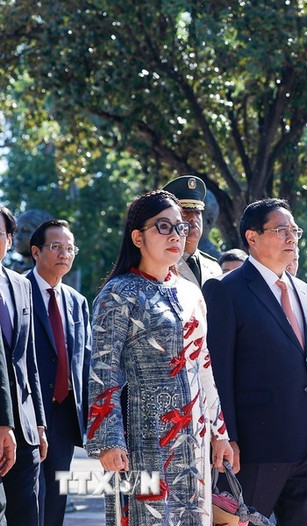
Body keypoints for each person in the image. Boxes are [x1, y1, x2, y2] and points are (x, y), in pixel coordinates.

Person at [86, 190, 233, 525]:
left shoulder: (192, 292)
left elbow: (203, 365)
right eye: (163, 227)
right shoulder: (118, 294)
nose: (175, 236)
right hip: (144, 438)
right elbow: (103, 372)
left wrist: (219, 431)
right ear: (137, 237)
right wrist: (108, 441)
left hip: (194, 439)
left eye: (180, 228)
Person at [203, 198, 307, 525]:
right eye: (281, 230)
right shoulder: (226, 291)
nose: (292, 238)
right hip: (255, 447)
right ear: (252, 237)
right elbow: (218, 373)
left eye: (294, 230)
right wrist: (226, 435)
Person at [27, 219, 91, 526]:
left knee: (55, 501)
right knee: (26, 499)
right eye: (56, 247)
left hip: (65, 417)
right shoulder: (16, 292)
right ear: (36, 251)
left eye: (69, 248)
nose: (64, 254)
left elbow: (86, 361)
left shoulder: (77, 302)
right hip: (28, 416)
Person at [0, 205, 48, 525]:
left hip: (26, 427)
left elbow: (27, 359)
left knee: (27, 515)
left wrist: (40, 422)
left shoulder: (21, 285)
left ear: (9, 239)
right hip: (2, 424)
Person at [161, 175, 222, 287]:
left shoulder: (214, 267)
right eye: (185, 212)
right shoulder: (161, 265)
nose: (193, 218)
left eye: (197, 212)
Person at [11, 209, 53, 275]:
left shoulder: (51, 273)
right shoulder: (11, 272)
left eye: (25, 231)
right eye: (16, 231)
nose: (18, 236)